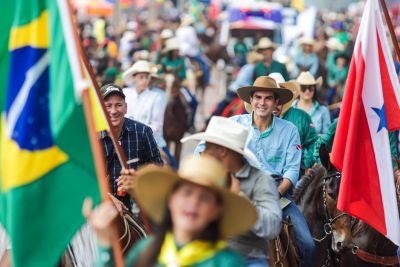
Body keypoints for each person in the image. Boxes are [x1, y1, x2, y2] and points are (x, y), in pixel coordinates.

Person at [87, 155, 258, 267]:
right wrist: (104, 243)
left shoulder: (227, 262)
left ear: (216, 211)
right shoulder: (145, 250)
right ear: (171, 199)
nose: (193, 203)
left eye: (204, 198)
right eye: (187, 193)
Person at [233, 76, 316, 266]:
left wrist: (272, 195)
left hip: (279, 195)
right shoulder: (235, 125)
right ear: (251, 100)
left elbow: (292, 170)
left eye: (268, 98)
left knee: (308, 245)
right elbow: (202, 150)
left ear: (276, 102)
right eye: (258, 98)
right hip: (240, 193)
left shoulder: (289, 130)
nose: (262, 103)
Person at [182, 116, 281, 266]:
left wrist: (240, 199)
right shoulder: (206, 175)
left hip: (248, 259)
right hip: (205, 255)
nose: (202, 153)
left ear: (222, 151)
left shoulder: (261, 180)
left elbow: (272, 227)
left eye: (207, 147)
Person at [100, 84, 163, 209]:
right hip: (101, 206)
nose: (113, 111)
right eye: (108, 106)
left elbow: (158, 166)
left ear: (126, 108)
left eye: (118, 105)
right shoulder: (90, 137)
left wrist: (137, 179)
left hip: (136, 204)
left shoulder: (143, 132)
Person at [245, 73, 318, 171]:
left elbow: (314, 142)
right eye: (260, 97)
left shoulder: (301, 117)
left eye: (269, 98)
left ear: (277, 100)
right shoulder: (248, 122)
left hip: (298, 169)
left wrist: (307, 164)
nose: (264, 102)